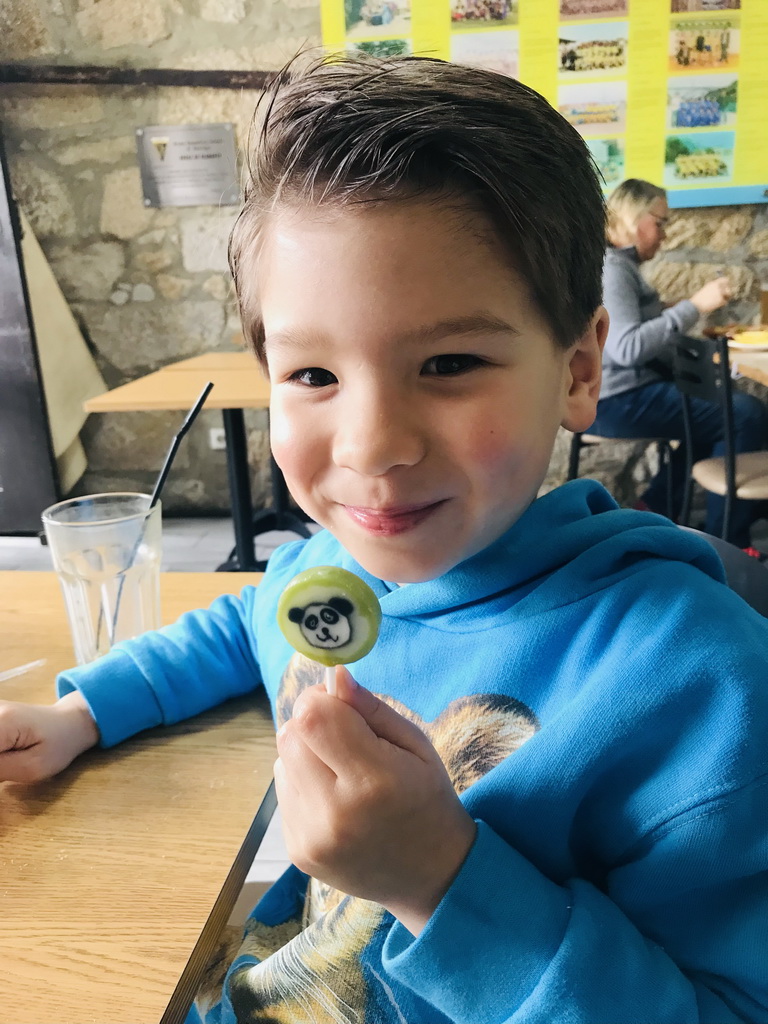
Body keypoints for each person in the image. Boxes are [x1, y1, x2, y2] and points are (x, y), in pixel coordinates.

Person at [2, 56, 768, 1024]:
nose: (371, 447)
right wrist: (85, 713)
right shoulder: (335, 566)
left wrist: (438, 879)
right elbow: (244, 621)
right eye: (313, 374)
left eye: (449, 363)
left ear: (580, 369)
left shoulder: (703, 685)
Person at [591, 177, 768, 549]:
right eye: (660, 222)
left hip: (620, 394)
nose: (665, 233)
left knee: (710, 419)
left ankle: (657, 505)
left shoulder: (616, 266)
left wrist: (669, 311)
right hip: (618, 399)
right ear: (634, 220)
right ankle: (728, 542)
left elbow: (632, 327)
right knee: (745, 415)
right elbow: (627, 348)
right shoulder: (614, 269)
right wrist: (695, 307)